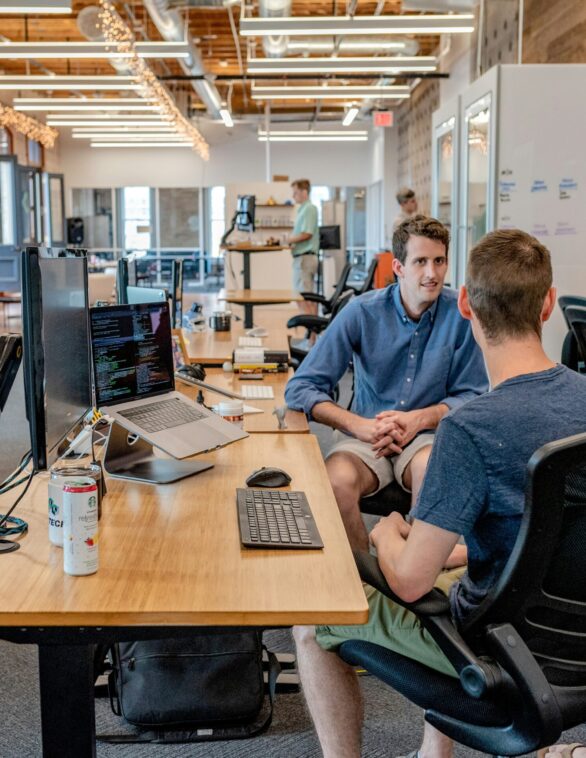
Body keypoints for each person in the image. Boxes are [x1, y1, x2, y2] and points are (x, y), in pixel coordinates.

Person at [293, 228, 586, 758]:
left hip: (498, 647)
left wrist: (388, 532)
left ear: (468, 305)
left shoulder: (470, 430)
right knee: (450, 562)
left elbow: (408, 582)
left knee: (311, 622)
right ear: (548, 305)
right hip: (573, 637)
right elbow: (544, 532)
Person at [285, 215, 488, 551]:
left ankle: (412, 577)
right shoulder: (361, 312)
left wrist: (419, 419)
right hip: (366, 434)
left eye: (439, 261)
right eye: (420, 261)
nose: (432, 273)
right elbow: (301, 387)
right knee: (335, 483)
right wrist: (358, 425)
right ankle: (367, 580)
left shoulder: (462, 315)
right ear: (398, 267)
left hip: (426, 437)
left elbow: (474, 395)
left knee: (434, 477)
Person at [288, 179, 319, 313]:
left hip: (305, 259)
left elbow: (307, 233)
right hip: (301, 258)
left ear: (304, 192)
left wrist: (289, 240)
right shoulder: (302, 209)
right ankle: (310, 331)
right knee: (300, 296)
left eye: (295, 193)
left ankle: (312, 332)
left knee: (305, 297)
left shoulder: (309, 208)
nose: (293, 196)